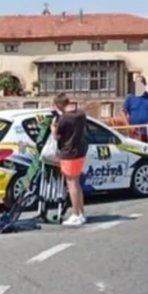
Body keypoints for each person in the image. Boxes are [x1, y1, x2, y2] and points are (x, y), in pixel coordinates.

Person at [52, 93, 88, 226]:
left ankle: (76, 214)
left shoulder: (63, 119)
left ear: (60, 104)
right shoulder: (81, 114)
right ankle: (81, 212)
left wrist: (52, 128)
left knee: (71, 184)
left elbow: (56, 137)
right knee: (77, 183)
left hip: (68, 153)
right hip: (80, 151)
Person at [122, 75, 148, 142]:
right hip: (134, 131)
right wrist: (128, 126)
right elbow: (124, 113)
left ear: (145, 84)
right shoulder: (129, 98)